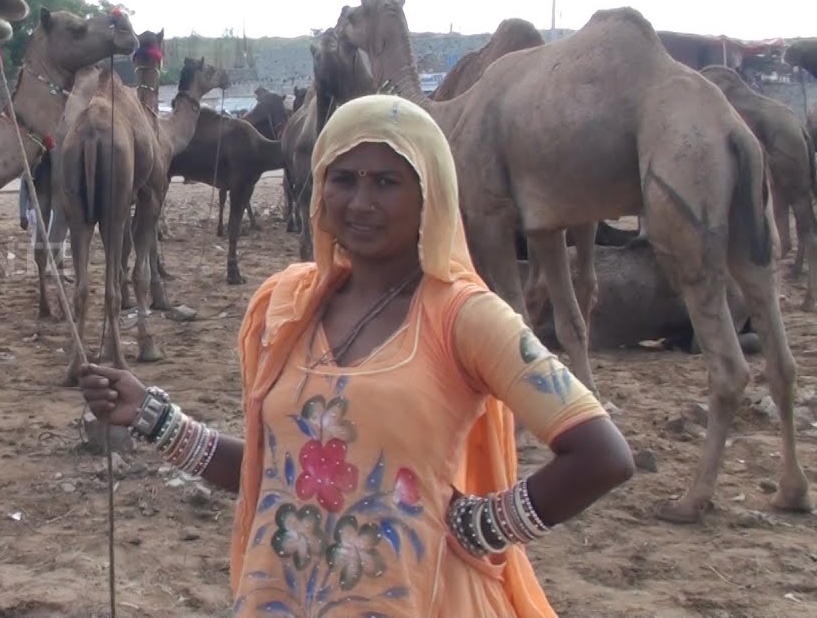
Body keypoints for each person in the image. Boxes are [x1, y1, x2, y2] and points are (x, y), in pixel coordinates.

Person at [78, 94, 634, 617]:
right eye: (343, 179)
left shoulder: (466, 317)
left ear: (430, 194)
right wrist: (153, 417)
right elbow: (273, 476)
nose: (360, 202)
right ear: (319, 189)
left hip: (421, 594)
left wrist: (479, 525)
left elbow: (602, 455)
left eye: (387, 182)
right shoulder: (288, 305)